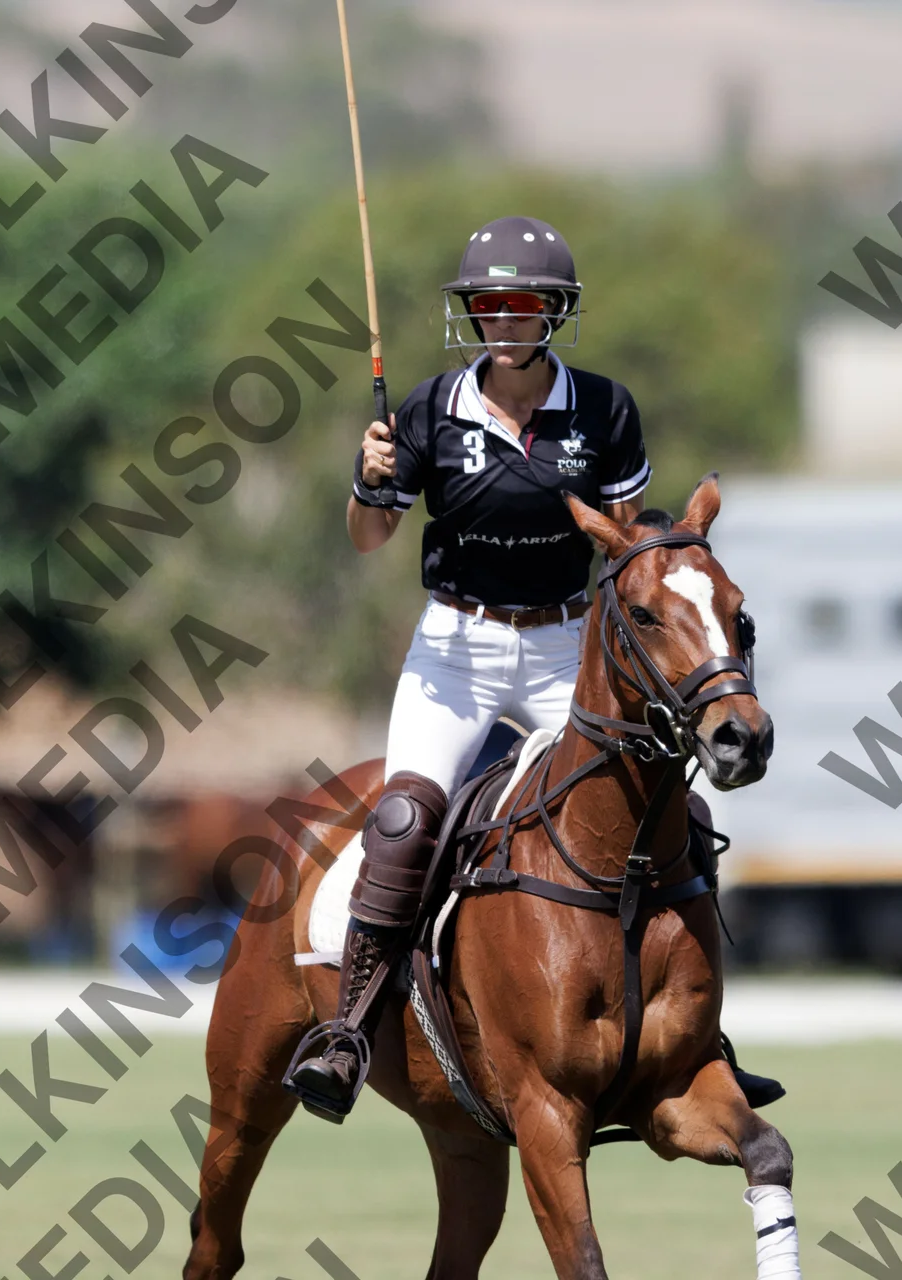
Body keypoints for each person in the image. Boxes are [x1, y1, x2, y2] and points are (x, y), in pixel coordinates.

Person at [284, 215, 779, 1122]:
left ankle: (700, 1037)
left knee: (673, 811)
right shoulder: (429, 411)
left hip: (565, 645)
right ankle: (348, 1030)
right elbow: (369, 537)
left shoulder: (605, 410)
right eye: (488, 303)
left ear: (555, 311)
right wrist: (369, 477)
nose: (503, 317)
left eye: (522, 302)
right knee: (404, 819)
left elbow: (630, 542)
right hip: (456, 649)